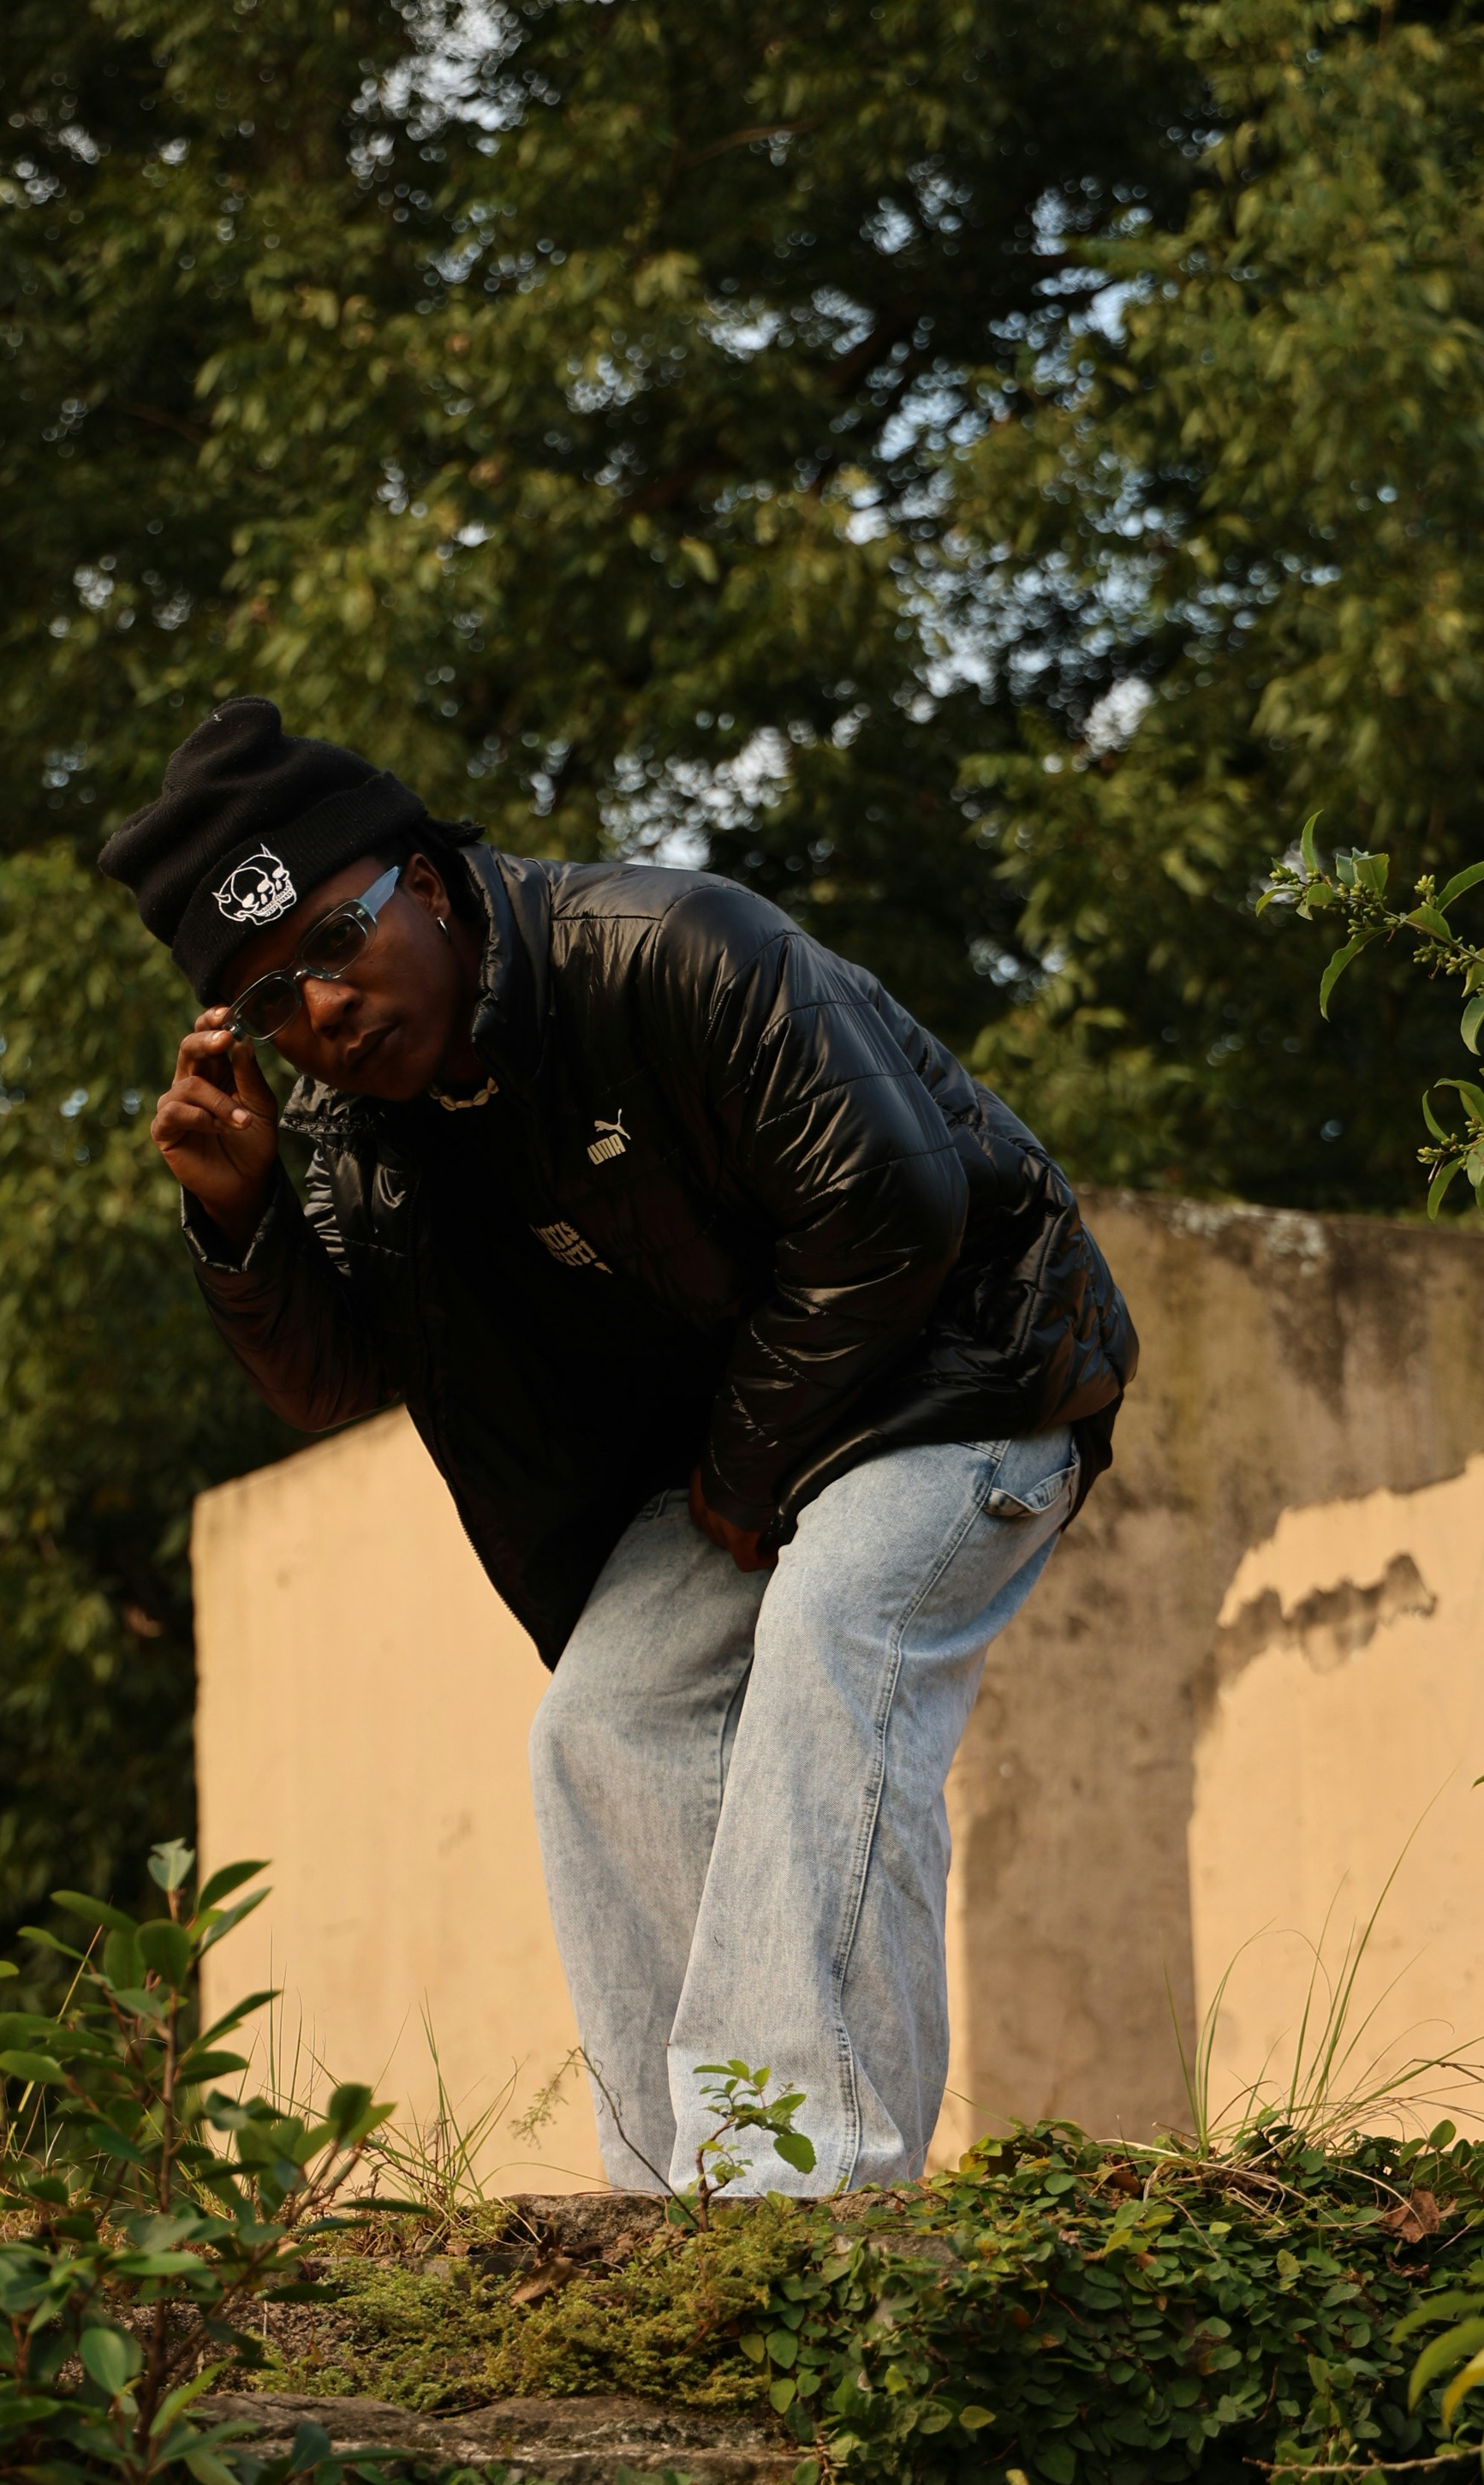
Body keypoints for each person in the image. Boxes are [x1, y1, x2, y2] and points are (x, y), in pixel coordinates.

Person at [103, 698, 1136, 2200]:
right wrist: (242, 1214)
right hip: (735, 1451)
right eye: (269, 1004)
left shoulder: (669, 945)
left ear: (433, 884)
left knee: (835, 1639)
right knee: (600, 1728)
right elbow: (335, 1377)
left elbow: (896, 1208)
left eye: (336, 942)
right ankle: (682, 2214)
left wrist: (737, 1471)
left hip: (965, 1366)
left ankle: (809, 2193)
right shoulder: (351, 1133)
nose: (320, 1012)